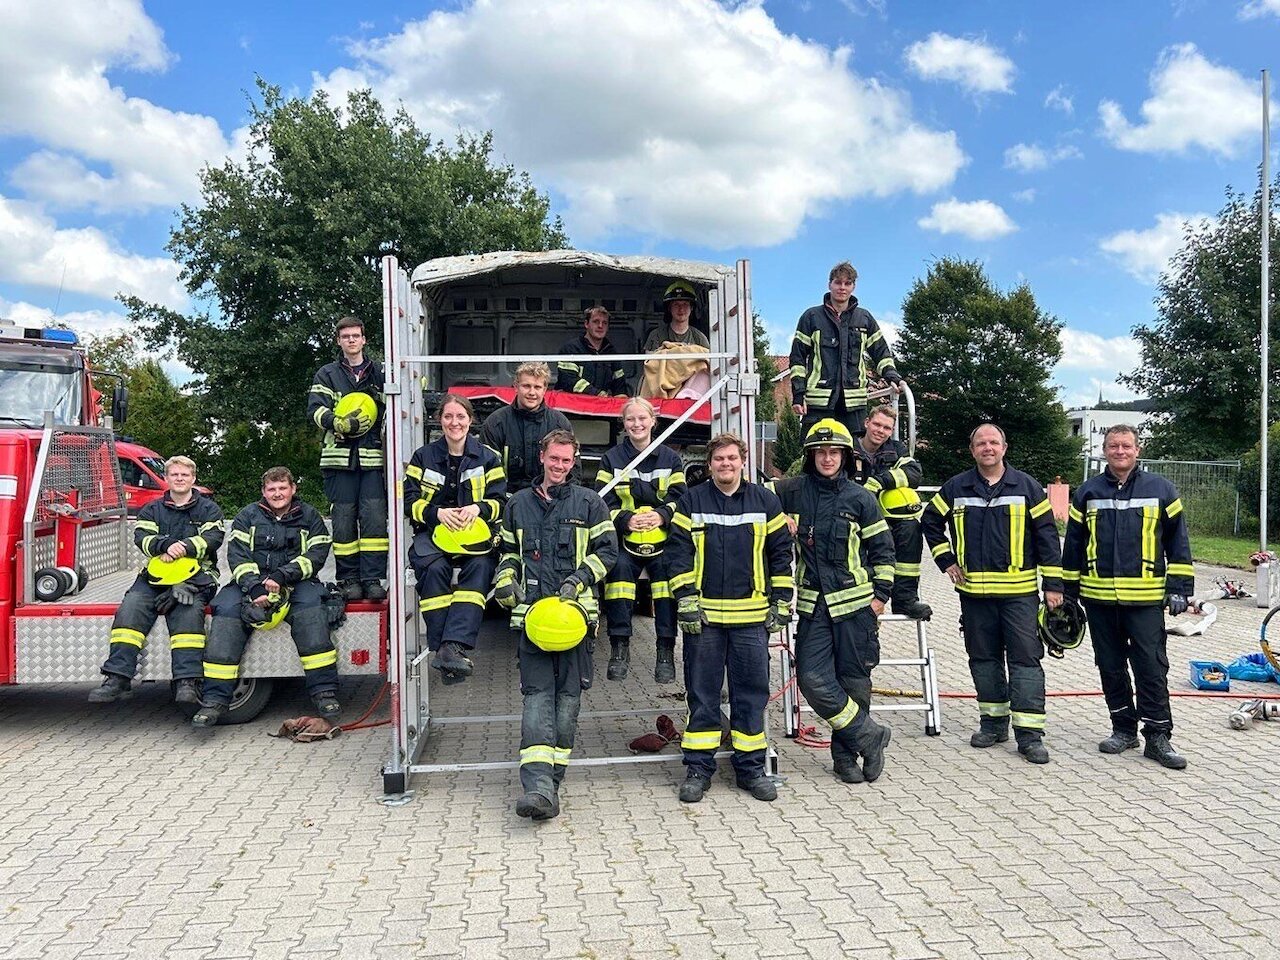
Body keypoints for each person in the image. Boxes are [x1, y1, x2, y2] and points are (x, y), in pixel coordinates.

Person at [921, 424, 1063, 764]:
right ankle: (994, 724)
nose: (988, 448)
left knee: (1025, 660)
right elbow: (929, 521)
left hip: (1019, 596)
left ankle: (1029, 736)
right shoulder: (957, 487)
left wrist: (1054, 585)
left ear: (1004, 447)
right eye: (981, 443)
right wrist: (946, 561)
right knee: (983, 660)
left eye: (994, 442)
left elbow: (1046, 536)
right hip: (974, 597)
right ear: (972, 450)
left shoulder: (1027, 486)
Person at [494, 430, 618, 821]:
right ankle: (537, 785)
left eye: (567, 460)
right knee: (536, 698)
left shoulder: (591, 504)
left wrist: (579, 579)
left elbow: (608, 552)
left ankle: (553, 779)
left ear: (574, 460)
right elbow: (508, 554)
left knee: (567, 703)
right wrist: (503, 581)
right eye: (554, 459)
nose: (560, 466)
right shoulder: (518, 505)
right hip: (531, 620)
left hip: (575, 622)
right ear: (542, 457)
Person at [667, 432, 793, 803]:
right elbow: (677, 554)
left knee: (751, 695)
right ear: (710, 464)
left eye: (732, 458)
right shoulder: (691, 501)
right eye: (719, 459)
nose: (725, 464)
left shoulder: (765, 502)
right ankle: (698, 769)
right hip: (703, 620)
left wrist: (782, 599)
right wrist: (685, 598)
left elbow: (780, 554)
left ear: (742, 461)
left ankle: (750, 769)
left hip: (751, 620)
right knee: (702, 695)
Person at [1062, 424, 1195, 770]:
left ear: (1138, 450)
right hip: (1099, 599)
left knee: (1151, 667)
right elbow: (1073, 546)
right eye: (1113, 446)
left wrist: (1179, 588)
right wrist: (1067, 594)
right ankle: (1123, 729)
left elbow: (1178, 542)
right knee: (1110, 666)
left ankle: (1157, 736)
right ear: (1104, 450)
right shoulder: (1088, 492)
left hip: (1146, 600)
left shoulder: (1161, 489)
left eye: (1126, 446)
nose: (1120, 451)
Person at [771, 421, 896, 784]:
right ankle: (870, 734)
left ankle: (845, 759)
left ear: (845, 456)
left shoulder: (861, 498)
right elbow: (753, 495)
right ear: (811, 456)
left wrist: (880, 598)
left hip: (856, 607)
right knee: (811, 679)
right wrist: (777, 516)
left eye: (834, 452)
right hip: (813, 606)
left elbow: (884, 551)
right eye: (821, 452)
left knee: (854, 682)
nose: (827, 458)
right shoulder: (792, 491)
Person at [192, 467, 337, 728]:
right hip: (253, 582)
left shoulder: (310, 516)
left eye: (283, 488)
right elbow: (237, 556)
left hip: (296, 581)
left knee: (311, 610)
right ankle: (214, 700)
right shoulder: (247, 516)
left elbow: (316, 555)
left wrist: (283, 576)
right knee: (225, 610)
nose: (277, 493)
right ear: (263, 492)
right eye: (272, 489)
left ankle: (324, 692)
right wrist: (254, 588)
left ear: (293, 489)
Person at [87, 456, 224, 704]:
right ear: (167, 478)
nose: (179, 479)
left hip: (196, 578)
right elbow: (143, 538)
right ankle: (118, 677)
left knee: (188, 612)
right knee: (131, 608)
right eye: (174, 475)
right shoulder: (152, 509)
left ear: (193, 478)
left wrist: (183, 546)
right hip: (156, 577)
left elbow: (213, 538)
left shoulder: (208, 509)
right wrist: (164, 544)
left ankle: (186, 681)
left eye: (184, 475)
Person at [404, 394, 506, 685]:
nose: (454, 422)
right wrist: (436, 513)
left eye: (460, 416)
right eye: (448, 416)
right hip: (432, 536)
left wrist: (478, 508)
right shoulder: (423, 456)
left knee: (481, 568)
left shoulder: (488, 457)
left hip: (474, 539)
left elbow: (500, 500)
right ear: (440, 420)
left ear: (470, 420)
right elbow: (407, 500)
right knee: (433, 570)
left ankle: (451, 648)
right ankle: (448, 652)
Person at [595, 397, 687, 683]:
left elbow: (681, 501)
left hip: (662, 539)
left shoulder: (671, 459)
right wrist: (625, 520)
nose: (636, 424)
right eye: (631, 419)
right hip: (625, 538)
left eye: (642, 418)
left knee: (665, 584)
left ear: (653, 422)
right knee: (618, 576)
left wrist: (661, 516)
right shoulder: (611, 459)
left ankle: (665, 653)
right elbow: (602, 502)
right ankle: (619, 649)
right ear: (624, 423)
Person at [307, 316, 388, 602]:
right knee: (342, 522)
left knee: (375, 521)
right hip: (338, 461)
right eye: (346, 337)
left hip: (373, 461)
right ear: (339, 341)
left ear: (364, 340)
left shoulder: (379, 372)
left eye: (356, 336)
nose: (351, 340)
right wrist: (338, 423)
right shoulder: (326, 374)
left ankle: (373, 578)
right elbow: (315, 409)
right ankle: (349, 579)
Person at [788, 261, 903, 439]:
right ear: (829, 284)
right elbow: (797, 359)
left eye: (847, 283)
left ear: (853, 287)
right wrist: (798, 393)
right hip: (818, 405)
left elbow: (881, 352)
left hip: (854, 406)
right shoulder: (811, 317)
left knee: (855, 457)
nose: (842, 287)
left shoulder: (864, 319)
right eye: (838, 282)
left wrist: (892, 376)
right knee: (814, 455)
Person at [852, 405, 932, 620]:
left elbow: (914, 473)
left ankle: (905, 600)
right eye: (877, 424)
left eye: (887, 428)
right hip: (851, 517)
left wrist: (879, 481)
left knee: (910, 529)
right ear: (866, 423)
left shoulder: (896, 449)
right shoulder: (847, 446)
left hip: (885, 518)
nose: (881, 430)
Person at [480, 362, 573, 494]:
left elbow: (573, 471)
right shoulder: (496, 423)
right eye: (526, 386)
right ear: (516, 386)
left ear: (545, 389)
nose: (532, 392)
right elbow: (486, 469)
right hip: (507, 500)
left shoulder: (560, 424)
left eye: (537, 387)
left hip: (550, 500)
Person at [556, 306, 629, 397]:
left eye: (604, 323)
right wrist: (597, 393)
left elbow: (619, 381)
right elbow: (568, 380)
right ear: (586, 324)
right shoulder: (571, 349)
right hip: (572, 407)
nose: (600, 326)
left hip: (599, 406)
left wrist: (621, 396)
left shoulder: (611, 352)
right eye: (596, 322)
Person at [642, 280, 711, 352]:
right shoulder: (656, 335)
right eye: (676, 304)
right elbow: (650, 362)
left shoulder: (699, 338)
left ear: (692, 307)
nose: (681, 309)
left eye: (685, 304)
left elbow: (708, 361)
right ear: (669, 308)